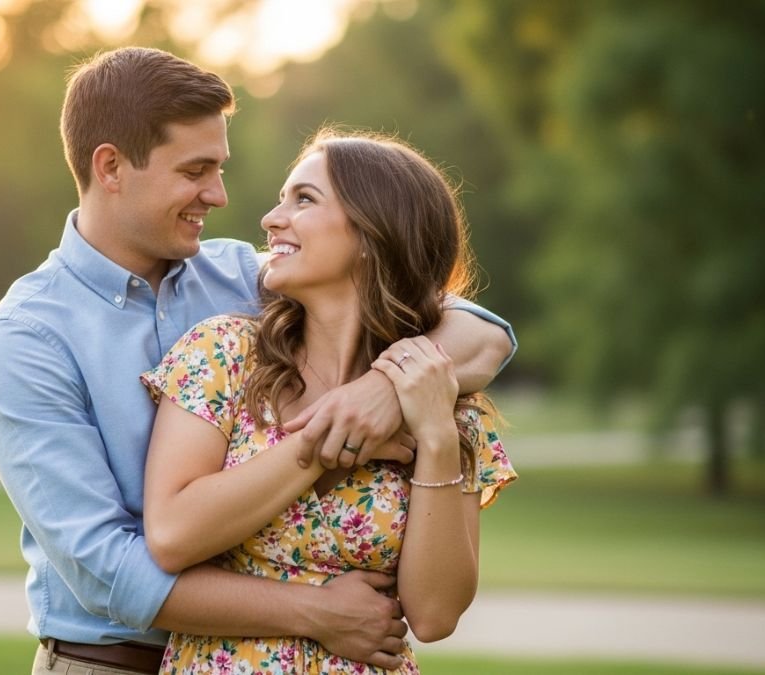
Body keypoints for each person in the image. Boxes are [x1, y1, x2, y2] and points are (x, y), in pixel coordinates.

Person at [0, 47, 517, 675]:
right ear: (112, 166)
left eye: (220, 168)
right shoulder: (25, 340)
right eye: (196, 170)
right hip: (110, 662)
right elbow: (109, 573)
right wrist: (315, 611)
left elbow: (479, 329)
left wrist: (386, 393)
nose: (221, 195)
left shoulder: (245, 275)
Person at [140, 129, 517, 674]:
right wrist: (328, 442)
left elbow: (434, 617)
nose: (271, 220)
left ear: (372, 233)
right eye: (281, 198)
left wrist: (434, 436)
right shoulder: (224, 354)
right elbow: (172, 536)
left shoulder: (449, 400)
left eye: (304, 200)